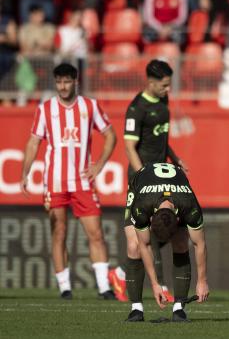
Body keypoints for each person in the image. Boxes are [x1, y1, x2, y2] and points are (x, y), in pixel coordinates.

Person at [20, 63, 117, 300]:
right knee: (58, 232)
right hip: (54, 181)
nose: (62, 87)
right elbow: (34, 142)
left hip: (83, 182)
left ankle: (104, 287)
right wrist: (25, 172)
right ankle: (65, 287)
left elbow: (110, 135)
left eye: (67, 81)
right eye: (59, 82)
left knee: (95, 233)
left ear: (76, 82)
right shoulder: (45, 109)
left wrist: (100, 164)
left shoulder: (90, 106)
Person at [109, 59, 188, 303]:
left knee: (169, 229)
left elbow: (159, 138)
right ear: (151, 82)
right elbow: (130, 147)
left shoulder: (162, 101)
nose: (168, 89)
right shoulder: (137, 108)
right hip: (142, 178)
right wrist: (144, 176)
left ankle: (121, 273)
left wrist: (175, 158)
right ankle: (162, 286)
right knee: (152, 231)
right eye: (164, 85)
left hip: (163, 174)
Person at [123, 162, 209, 322]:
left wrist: (202, 281)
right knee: (133, 246)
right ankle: (136, 309)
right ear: (150, 217)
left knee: (181, 243)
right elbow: (145, 245)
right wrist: (156, 284)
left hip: (177, 188)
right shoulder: (141, 207)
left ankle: (179, 308)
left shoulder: (190, 205)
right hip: (140, 183)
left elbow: (200, 244)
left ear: (178, 219)